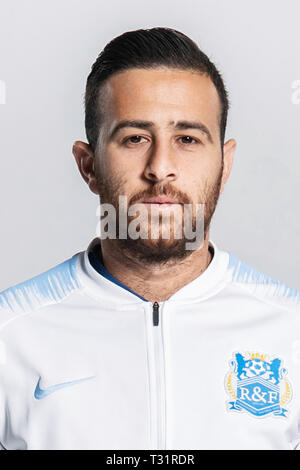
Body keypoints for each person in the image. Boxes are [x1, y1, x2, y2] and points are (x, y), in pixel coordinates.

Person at [0, 27, 299, 451]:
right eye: (135, 138)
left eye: (188, 140)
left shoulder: (290, 331)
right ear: (88, 166)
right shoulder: (10, 335)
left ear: (225, 164)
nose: (160, 168)